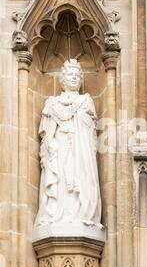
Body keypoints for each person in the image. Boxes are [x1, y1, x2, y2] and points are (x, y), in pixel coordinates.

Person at [35, 59, 101, 227]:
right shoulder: (53, 103)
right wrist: (52, 145)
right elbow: (47, 133)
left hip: (81, 150)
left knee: (81, 179)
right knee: (62, 182)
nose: (74, 77)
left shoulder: (86, 101)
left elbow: (91, 133)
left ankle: (81, 215)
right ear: (62, 80)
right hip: (61, 147)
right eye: (70, 75)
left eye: (77, 75)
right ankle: (57, 216)